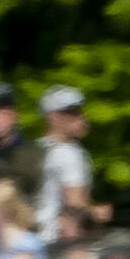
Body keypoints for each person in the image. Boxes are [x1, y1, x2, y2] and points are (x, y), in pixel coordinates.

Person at [31, 87, 108, 242]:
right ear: (52, 117)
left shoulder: (35, 148)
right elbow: (74, 203)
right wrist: (97, 212)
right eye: (71, 112)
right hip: (59, 239)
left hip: (33, 236)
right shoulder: (68, 153)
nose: (80, 117)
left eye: (79, 111)